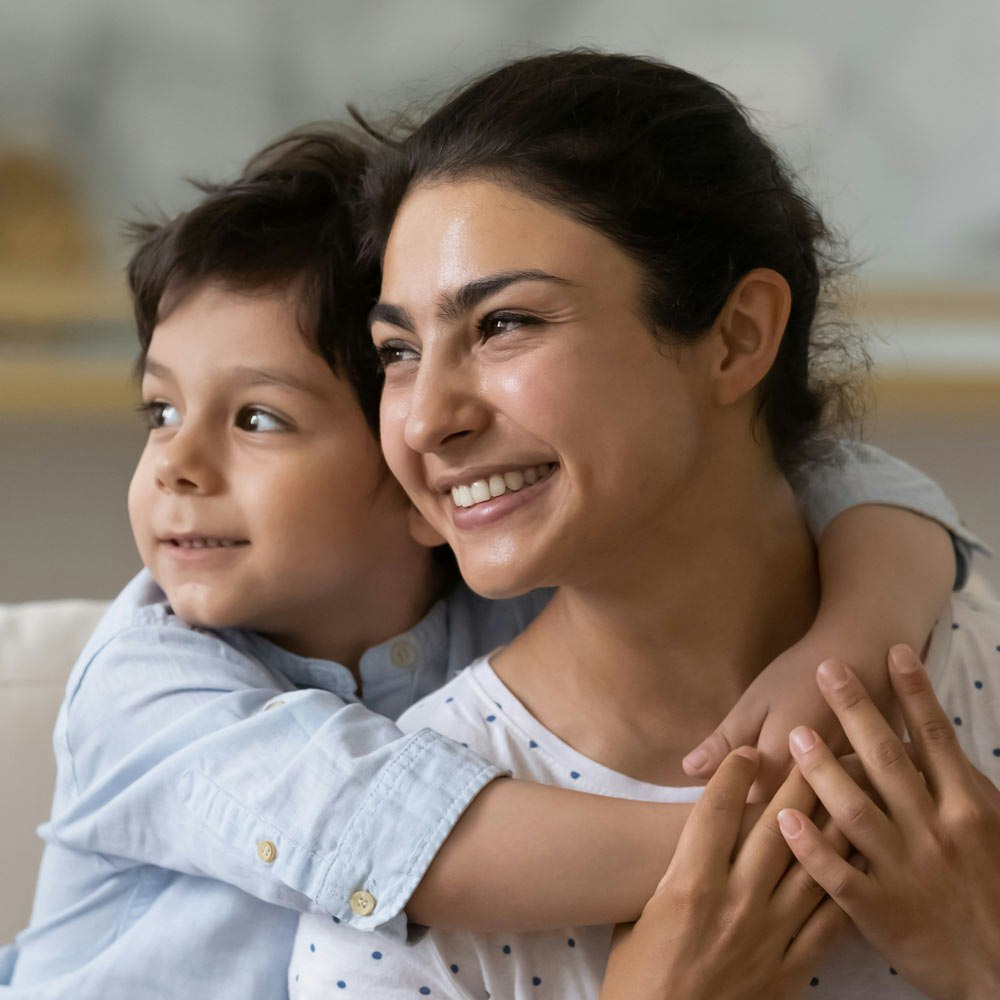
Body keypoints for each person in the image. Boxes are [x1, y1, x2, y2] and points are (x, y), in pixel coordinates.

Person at [0, 121, 978, 999]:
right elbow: (384, 829)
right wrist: (823, 835)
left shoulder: (520, 579)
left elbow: (833, 475)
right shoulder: (145, 683)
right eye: (158, 411)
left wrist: (850, 635)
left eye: (257, 417)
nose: (174, 464)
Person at [290, 51, 999, 998]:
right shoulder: (407, 890)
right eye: (400, 350)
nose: (425, 420)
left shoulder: (975, 661)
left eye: (503, 324)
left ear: (739, 336)